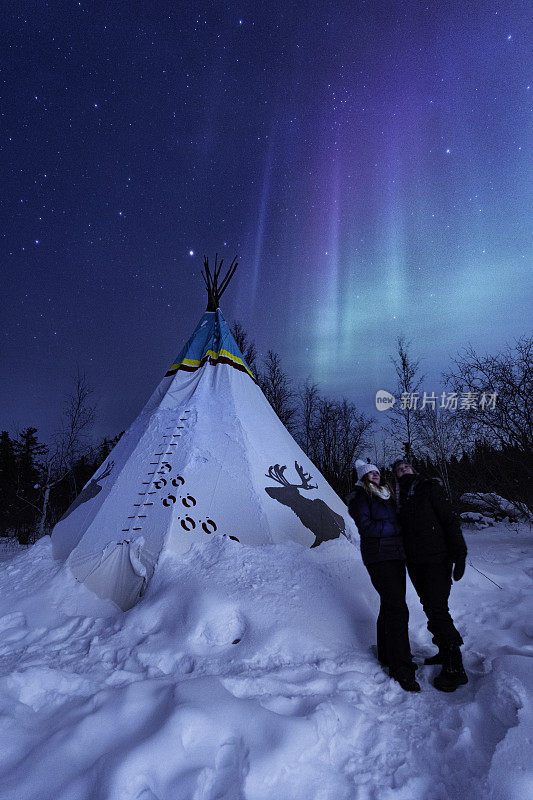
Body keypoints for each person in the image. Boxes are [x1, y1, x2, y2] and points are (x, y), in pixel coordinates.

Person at [392, 459, 468, 692]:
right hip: (415, 563)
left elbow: (449, 521)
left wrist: (460, 553)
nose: (403, 471)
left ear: (414, 470)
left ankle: (455, 668)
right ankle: (445, 652)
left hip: (437, 560)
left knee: (438, 608)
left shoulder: (429, 488)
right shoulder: (400, 499)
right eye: (398, 470)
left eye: (406, 467)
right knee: (430, 606)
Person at [348, 459, 420, 692]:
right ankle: (401, 668)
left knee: (390, 606)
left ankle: (387, 654)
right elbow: (366, 527)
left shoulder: (386, 495)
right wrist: (396, 529)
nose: (375, 475)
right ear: (362, 477)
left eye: (376, 472)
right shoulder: (361, 497)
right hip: (378, 556)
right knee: (398, 608)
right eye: (369, 473)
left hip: (396, 555)